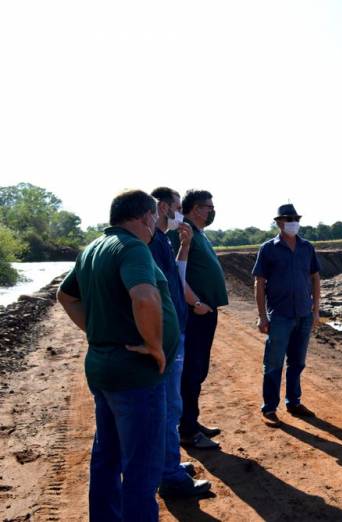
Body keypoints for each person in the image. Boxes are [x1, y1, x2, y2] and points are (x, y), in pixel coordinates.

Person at [57, 190, 180, 520]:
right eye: (154, 216)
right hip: (135, 375)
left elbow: (66, 296)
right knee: (141, 468)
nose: (157, 223)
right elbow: (144, 297)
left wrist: (98, 333)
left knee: (107, 457)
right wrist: (155, 346)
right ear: (143, 217)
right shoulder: (132, 247)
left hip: (105, 369)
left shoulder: (93, 248)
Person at [149, 187, 212, 498]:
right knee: (169, 407)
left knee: (171, 405)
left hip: (176, 331)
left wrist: (184, 246)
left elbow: (175, 275)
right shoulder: (149, 242)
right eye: (176, 207)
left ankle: (168, 463)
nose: (179, 214)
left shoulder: (163, 240)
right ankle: (169, 476)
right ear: (162, 208)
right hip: (167, 337)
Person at [169, 189, 229, 449]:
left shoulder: (197, 233)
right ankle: (188, 431)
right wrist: (197, 303)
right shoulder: (182, 232)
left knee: (198, 370)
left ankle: (190, 421)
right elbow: (176, 272)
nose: (212, 210)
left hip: (205, 312)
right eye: (208, 206)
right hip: (195, 313)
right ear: (195, 208)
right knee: (192, 371)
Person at [252, 203, 321, 427]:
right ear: (279, 222)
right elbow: (259, 283)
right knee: (273, 363)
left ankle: (294, 402)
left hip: (303, 313)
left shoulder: (307, 247)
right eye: (288, 218)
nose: (293, 222)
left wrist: (316, 310)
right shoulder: (268, 248)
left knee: (297, 362)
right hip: (280, 315)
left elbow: (315, 278)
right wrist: (262, 316)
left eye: (296, 218)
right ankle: (269, 408)